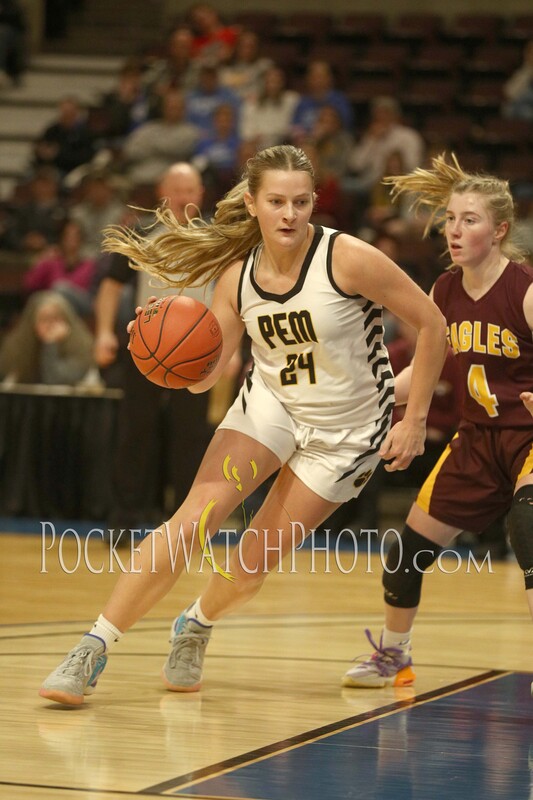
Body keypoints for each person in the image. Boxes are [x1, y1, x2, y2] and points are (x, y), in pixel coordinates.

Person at [38, 144, 446, 706]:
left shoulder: (348, 257)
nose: (290, 214)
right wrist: (161, 357)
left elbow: (433, 324)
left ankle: (197, 621)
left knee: (250, 567)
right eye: (276, 201)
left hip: (346, 431)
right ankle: (92, 646)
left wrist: (415, 418)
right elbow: (208, 376)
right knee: (191, 521)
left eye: (301, 202)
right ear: (251, 203)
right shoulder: (237, 277)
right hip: (270, 406)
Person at [342, 152, 533, 690]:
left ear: (499, 230)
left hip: (528, 439)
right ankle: (394, 656)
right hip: (475, 441)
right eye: (450, 218)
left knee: (529, 528)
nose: (454, 229)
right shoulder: (444, 293)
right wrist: (372, 399)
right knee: (405, 553)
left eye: (469, 220)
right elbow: (421, 373)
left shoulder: (524, 290)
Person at [92, 162, 214, 538]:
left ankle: (185, 526)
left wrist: (234, 350)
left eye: (190, 189)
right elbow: (111, 287)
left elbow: (231, 294)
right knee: (135, 431)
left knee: (191, 435)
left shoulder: (216, 237)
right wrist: (103, 334)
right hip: (146, 345)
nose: (183, 197)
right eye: (176, 188)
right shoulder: (141, 233)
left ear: (201, 195)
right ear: (162, 192)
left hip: (200, 350)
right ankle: (125, 519)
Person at [0, 290, 95, 385]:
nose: (50, 325)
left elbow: (53, 380)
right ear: (32, 322)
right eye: (45, 319)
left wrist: (50, 344)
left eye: (56, 318)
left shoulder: (81, 346)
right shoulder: (18, 346)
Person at [22, 218, 96, 317]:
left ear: (81, 240)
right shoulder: (51, 262)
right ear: (62, 239)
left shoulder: (89, 265)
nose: (72, 240)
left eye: (76, 236)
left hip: (80, 308)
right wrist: (41, 261)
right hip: (52, 308)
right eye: (68, 236)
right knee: (40, 300)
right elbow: (29, 284)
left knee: (60, 288)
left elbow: (92, 296)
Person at [502, 39, 533, 122]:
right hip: (522, 115)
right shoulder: (522, 73)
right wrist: (529, 74)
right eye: (531, 53)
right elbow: (510, 94)